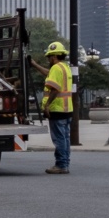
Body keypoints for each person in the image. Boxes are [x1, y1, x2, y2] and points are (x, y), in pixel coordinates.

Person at [41, 41, 74, 174]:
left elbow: (54, 89)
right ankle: (65, 163)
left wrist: (47, 105)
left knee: (59, 139)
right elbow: (49, 74)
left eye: (49, 57)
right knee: (65, 138)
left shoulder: (56, 68)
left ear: (53, 57)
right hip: (67, 110)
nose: (48, 59)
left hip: (57, 109)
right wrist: (34, 65)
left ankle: (61, 165)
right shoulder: (65, 67)